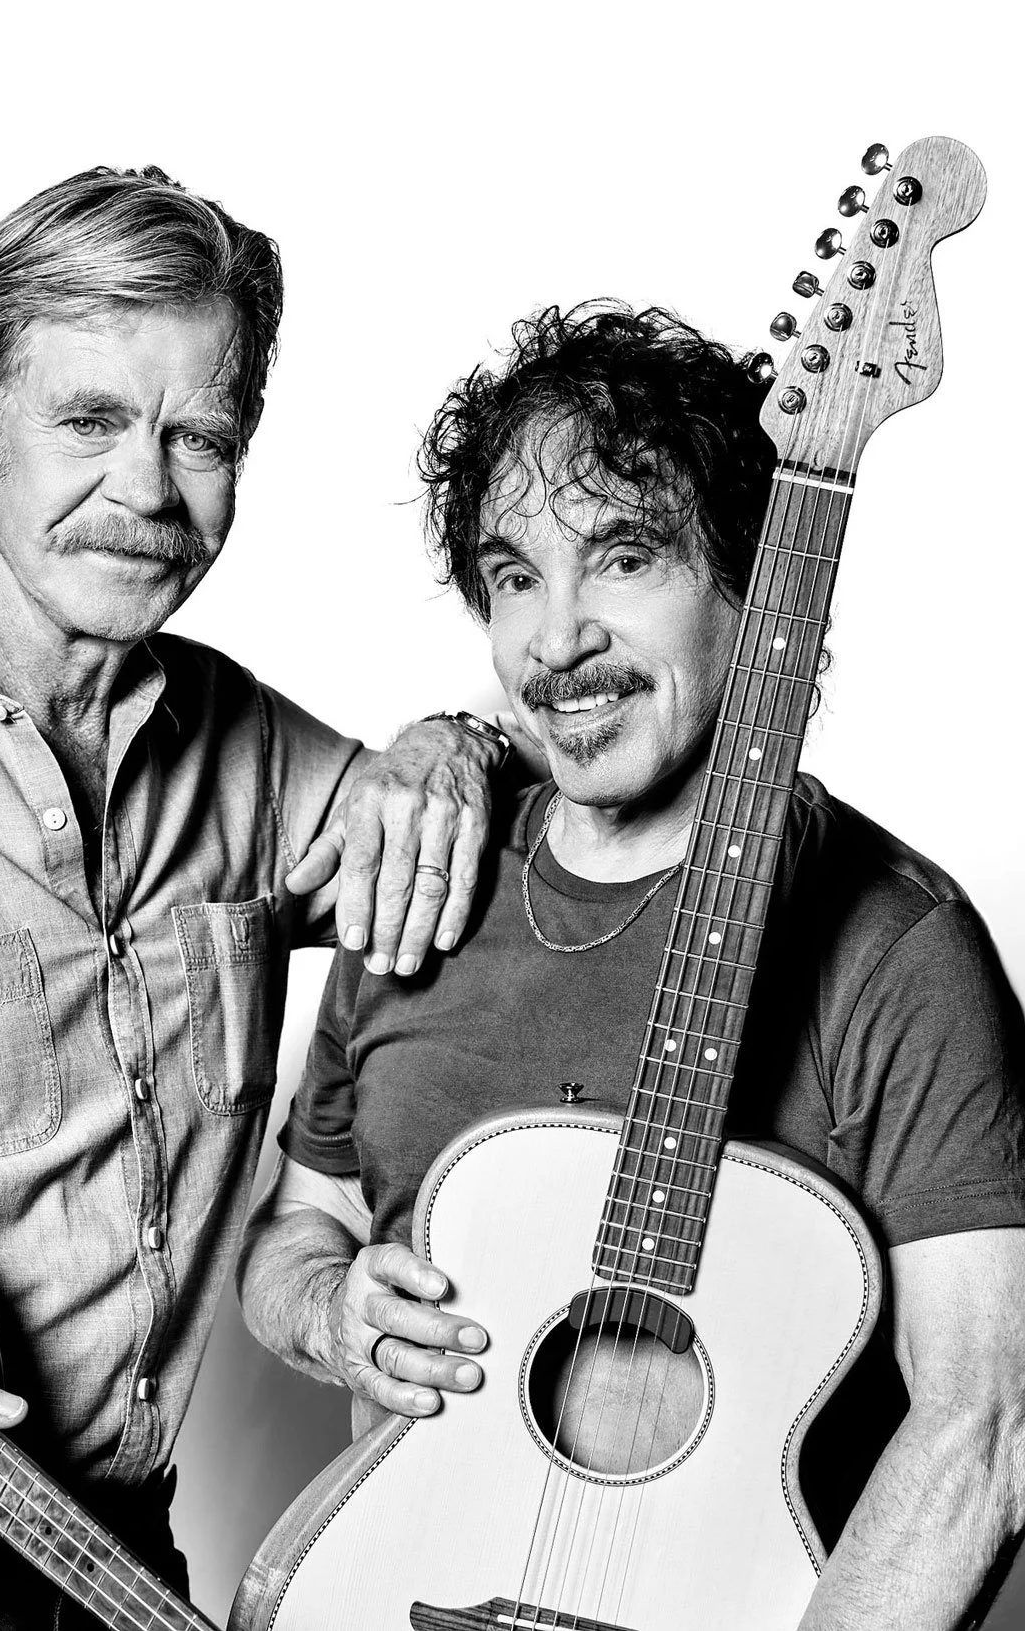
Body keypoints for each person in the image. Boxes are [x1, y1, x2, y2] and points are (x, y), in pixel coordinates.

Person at [0, 166, 514, 1630]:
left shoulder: (249, 751)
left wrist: (459, 744)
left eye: (203, 437)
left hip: (121, 1575)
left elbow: (523, 847)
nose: (147, 490)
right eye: (91, 421)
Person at [238, 303, 1025, 1630]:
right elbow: (297, 1232)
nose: (556, 640)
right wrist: (328, 1310)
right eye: (514, 576)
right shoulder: (422, 879)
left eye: (623, 558)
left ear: (752, 584)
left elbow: (985, 1434)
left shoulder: (898, 946)